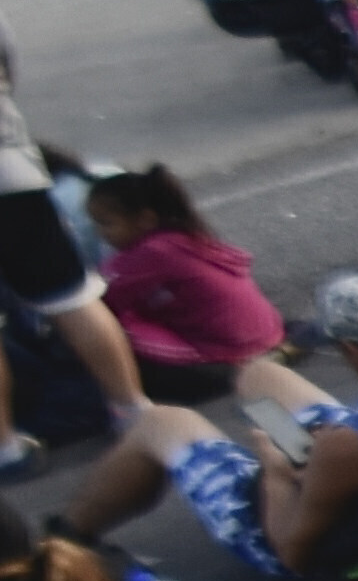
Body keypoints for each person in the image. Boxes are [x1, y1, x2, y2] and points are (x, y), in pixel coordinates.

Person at [45, 266, 358, 581]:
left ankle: (64, 544)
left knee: (163, 421)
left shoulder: (349, 448)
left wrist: (275, 466)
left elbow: (292, 554)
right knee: (258, 375)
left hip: (331, 499)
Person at [72, 166, 289, 404]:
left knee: (108, 330)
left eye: (106, 224)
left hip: (231, 352)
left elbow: (97, 296)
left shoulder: (154, 252)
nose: (100, 233)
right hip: (266, 334)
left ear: (145, 220)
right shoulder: (179, 238)